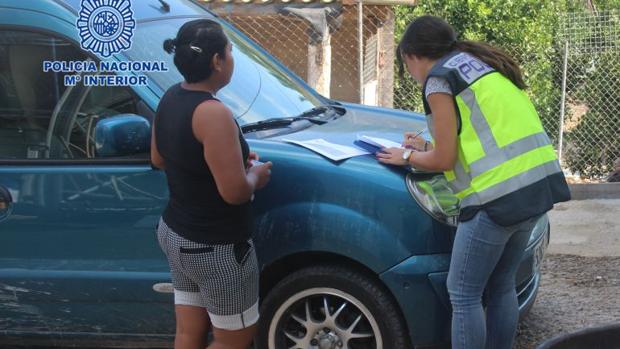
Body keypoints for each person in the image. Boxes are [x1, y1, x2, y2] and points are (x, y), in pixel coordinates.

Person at [377, 15, 570, 349]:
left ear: (410, 56)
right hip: (533, 189)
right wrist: (425, 147)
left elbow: (444, 160)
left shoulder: (438, 80)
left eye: (406, 67)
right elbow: (476, 139)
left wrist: (406, 157)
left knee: (463, 293)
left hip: (496, 200)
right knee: (502, 284)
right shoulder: (477, 66)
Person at [150, 19, 272, 349]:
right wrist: (254, 177)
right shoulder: (213, 113)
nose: (232, 58)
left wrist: (231, 162)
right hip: (215, 247)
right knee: (233, 339)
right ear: (217, 61)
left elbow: (160, 158)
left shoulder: (171, 97)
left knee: (189, 332)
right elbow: (234, 193)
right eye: (230, 51)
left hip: (176, 234)